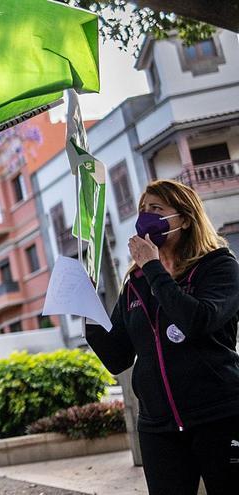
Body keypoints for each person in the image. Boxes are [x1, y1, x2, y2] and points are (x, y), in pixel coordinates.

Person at [85, 179, 239, 495]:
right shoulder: (136, 283)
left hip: (219, 417)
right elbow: (117, 357)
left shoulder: (219, 266)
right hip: (158, 428)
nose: (146, 217)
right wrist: (88, 314)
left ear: (184, 218)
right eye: (143, 210)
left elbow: (198, 320)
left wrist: (154, 268)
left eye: (157, 209)